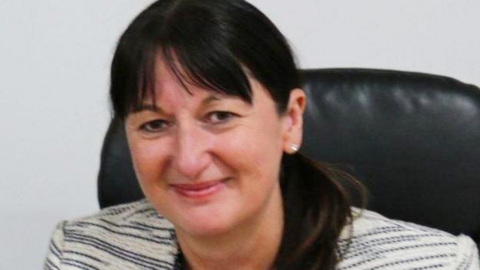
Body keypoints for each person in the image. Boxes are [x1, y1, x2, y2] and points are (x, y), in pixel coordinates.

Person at [44, 0, 479, 269]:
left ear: (290, 120)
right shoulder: (84, 255)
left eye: (219, 116)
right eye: (155, 125)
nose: (189, 159)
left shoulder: (435, 265)